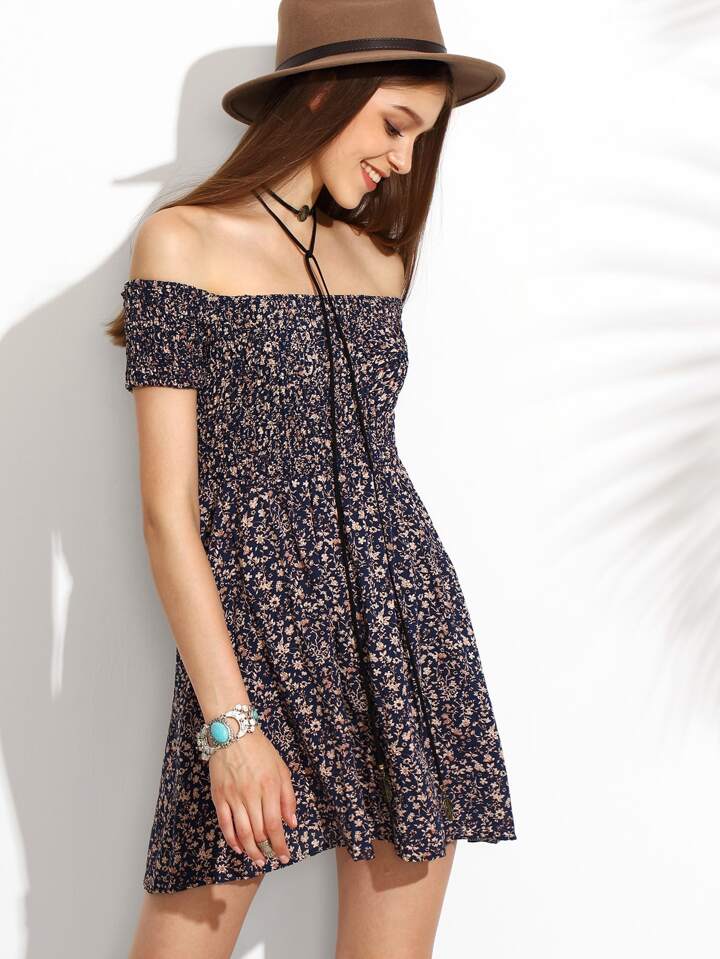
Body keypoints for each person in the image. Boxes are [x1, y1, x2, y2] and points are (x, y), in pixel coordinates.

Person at [106, 1, 516, 956]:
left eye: (420, 138)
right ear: (325, 93)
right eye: (395, 125)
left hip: (406, 627)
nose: (403, 160)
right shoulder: (182, 241)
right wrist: (229, 726)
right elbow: (168, 516)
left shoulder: (378, 258)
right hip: (254, 644)